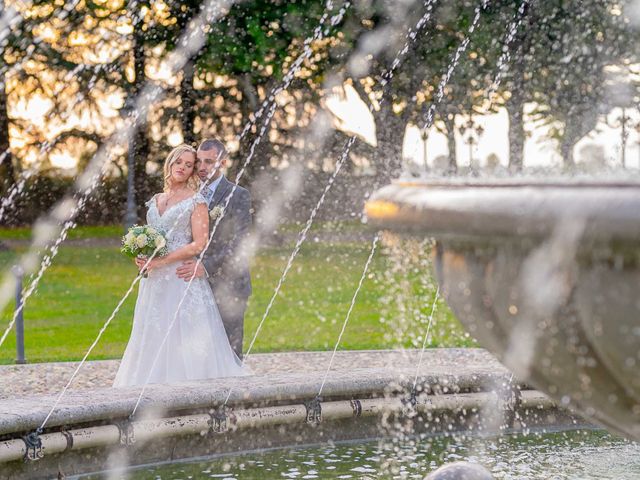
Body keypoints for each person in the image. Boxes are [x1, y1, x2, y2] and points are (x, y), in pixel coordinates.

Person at [113, 144, 248, 387]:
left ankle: (206, 395)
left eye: (189, 165)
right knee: (153, 331)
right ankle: (151, 386)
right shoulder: (155, 200)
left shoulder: (197, 200)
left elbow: (202, 243)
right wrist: (142, 255)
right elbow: (156, 237)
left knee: (190, 336)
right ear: (170, 163)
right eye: (180, 163)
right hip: (155, 281)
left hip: (183, 276)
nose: (184, 168)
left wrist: (164, 261)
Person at [176, 138, 252, 359]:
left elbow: (239, 243)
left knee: (229, 352)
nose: (202, 167)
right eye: (199, 161)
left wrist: (205, 266)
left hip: (229, 285)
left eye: (209, 162)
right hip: (194, 286)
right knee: (198, 353)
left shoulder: (238, 195)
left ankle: (234, 394)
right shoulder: (189, 195)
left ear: (223, 163)